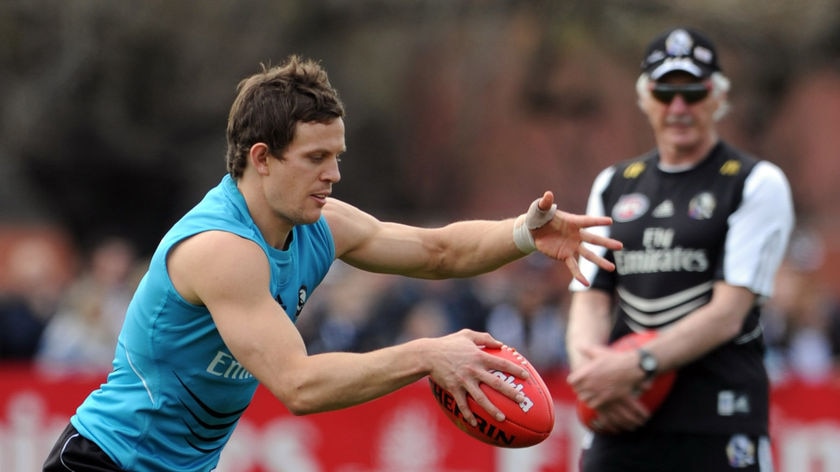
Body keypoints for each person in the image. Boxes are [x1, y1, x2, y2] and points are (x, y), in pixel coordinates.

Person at [43, 54, 622, 472]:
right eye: (317, 158)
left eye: (337, 156)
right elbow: (299, 385)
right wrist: (426, 353)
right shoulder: (222, 249)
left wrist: (524, 233)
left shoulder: (318, 224)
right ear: (262, 159)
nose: (334, 175)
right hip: (104, 462)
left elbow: (438, 251)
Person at [565, 28, 794, 471]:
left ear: (718, 97)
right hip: (622, 416)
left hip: (716, 418)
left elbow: (730, 311)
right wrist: (593, 379)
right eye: (664, 92)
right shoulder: (614, 184)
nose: (678, 107)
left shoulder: (754, 181)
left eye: (693, 91)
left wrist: (637, 364)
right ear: (644, 98)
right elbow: (589, 295)